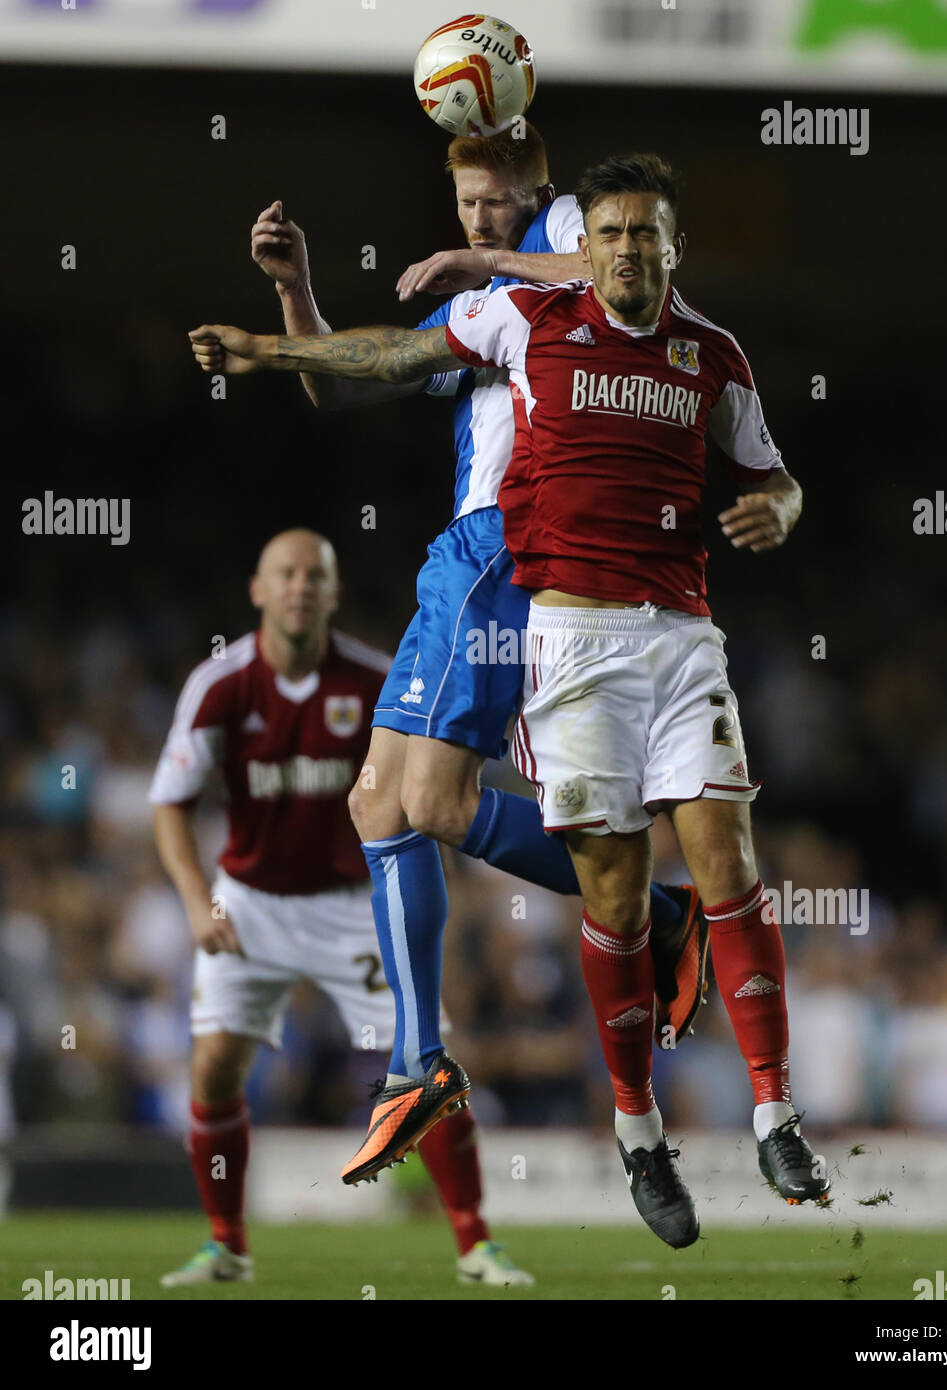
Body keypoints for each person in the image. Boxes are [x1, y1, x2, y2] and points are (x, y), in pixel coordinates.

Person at [188, 151, 832, 1249]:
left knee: (681, 849)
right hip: (555, 617)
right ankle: (569, 1096)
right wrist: (274, 334)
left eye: (640, 235)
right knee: (413, 813)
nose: (621, 249)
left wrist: (780, 502)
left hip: (611, 605)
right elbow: (371, 364)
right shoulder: (518, 319)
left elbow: (772, 469)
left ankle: (759, 1108)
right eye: (465, 205)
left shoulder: (696, 346)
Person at [233, 125, 706, 1187]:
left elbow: (618, 270)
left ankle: (649, 917)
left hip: (510, 538)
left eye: (497, 204)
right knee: (378, 805)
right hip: (464, 553)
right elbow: (347, 382)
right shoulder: (487, 303)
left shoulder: (556, 245)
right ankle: (418, 1059)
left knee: (436, 803)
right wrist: (294, 299)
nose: (481, 222)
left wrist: (489, 255)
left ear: (534, 195)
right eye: (467, 210)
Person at [150, 528, 532, 1287]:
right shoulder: (220, 685)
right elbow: (170, 805)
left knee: (428, 1066)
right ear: (258, 591)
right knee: (214, 1070)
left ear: (333, 593)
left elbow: (422, 799)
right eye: (285, 574)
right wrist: (197, 903)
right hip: (251, 905)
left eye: (314, 576)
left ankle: (475, 1244)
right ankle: (226, 1244)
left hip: (356, 906)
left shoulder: (373, 681)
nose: (300, 587)